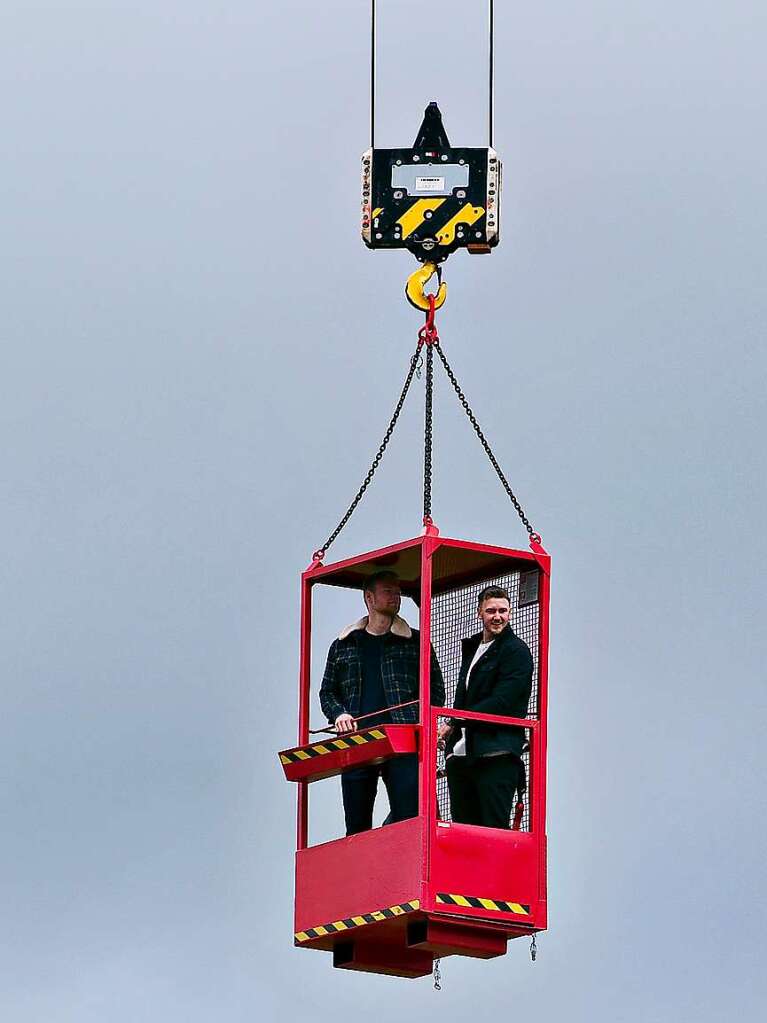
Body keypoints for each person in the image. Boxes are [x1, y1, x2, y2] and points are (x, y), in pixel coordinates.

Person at [320, 570, 445, 835]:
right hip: (358, 741)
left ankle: (405, 869)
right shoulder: (344, 645)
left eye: (397, 592)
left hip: (403, 739)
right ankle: (359, 873)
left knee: (408, 816)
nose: (395, 597)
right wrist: (339, 714)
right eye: (388, 591)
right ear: (369, 598)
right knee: (356, 822)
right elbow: (327, 692)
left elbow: (436, 690)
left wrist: (419, 720)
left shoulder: (416, 642)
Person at [437, 585, 533, 829]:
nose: (497, 616)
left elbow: (503, 701)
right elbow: (463, 697)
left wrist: (455, 721)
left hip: (496, 753)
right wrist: (453, 729)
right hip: (462, 755)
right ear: (480, 612)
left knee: (493, 830)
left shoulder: (516, 651)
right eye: (491, 611)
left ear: (510, 613)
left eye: (503, 610)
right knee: (463, 831)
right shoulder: (473, 648)